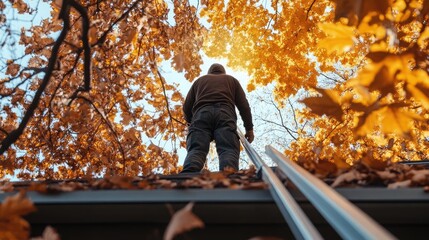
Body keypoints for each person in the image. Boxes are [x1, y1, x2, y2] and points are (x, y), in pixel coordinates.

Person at [181, 63, 254, 173]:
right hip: (225, 114)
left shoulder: (199, 81)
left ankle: (188, 175)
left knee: (197, 148)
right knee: (228, 148)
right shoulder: (232, 80)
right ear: (223, 71)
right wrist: (249, 129)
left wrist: (191, 123)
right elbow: (244, 106)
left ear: (209, 72)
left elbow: (186, 107)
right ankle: (229, 177)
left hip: (201, 114)